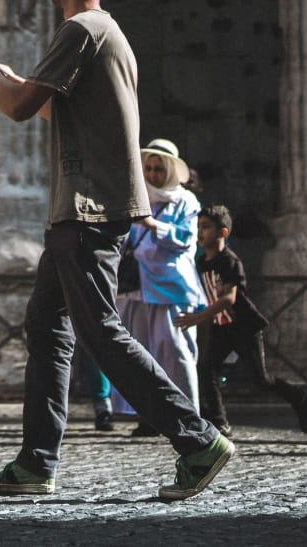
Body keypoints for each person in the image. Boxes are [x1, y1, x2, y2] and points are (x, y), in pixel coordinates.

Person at [0, 0, 232, 501]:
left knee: (100, 331)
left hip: (86, 209)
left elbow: (17, 107)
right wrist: (5, 75)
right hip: (83, 209)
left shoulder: (81, 29)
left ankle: (197, 438)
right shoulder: (107, 35)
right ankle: (36, 463)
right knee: (47, 327)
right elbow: (45, 99)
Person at [173, 204, 307, 435]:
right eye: (199, 226)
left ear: (223, 233)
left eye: (206, 227)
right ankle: (220, 423)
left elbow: (229, 298)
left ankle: (298, 396)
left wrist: (199, 317)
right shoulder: (202, 262)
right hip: (221, 327)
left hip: (243, 326)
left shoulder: (230, 261)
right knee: (207, 371)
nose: (200, 232)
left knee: (261, 381)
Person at [115, 138, 207, 436]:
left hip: (171, 286)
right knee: (142, 352)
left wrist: (154, 225)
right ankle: (150, 416)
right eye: (149, 168)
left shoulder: (185, 201)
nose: (153, 175)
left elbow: (186, 240)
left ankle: (188, 416)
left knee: (176, 350)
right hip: (138, 284)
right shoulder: (136, 196)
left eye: (158, 169)